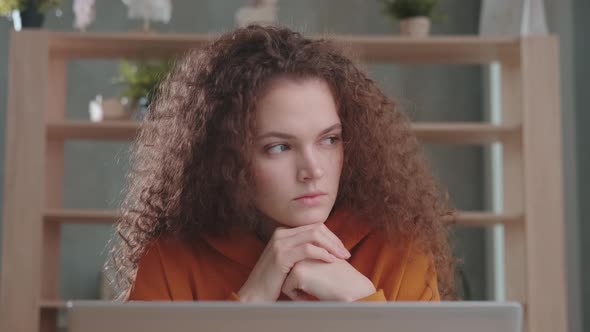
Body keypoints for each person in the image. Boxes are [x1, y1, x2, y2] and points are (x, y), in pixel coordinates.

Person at [108, 24, 456, 302]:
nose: (313, 170)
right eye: (279, 148)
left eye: (329, 140)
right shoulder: (171, 263)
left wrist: (361, 304)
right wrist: (252, 299)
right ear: (225, 159)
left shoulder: (399, 252)